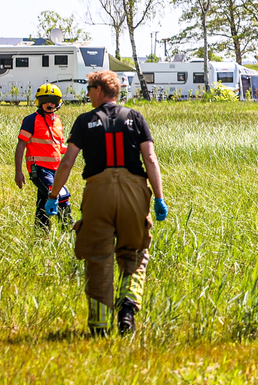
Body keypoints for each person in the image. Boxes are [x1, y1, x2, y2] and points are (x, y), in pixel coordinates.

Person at [47, 71, 168, 337]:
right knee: (134, 252)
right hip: (134, 191)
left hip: (98, 191)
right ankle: (127, 309)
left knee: (97, 257)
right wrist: (159, 198)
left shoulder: (84, 120)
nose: (87, 93)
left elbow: (67, 163)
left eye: (89, 88)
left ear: (100, 90)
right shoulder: (135, 117)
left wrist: (53, 196)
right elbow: (150, 158)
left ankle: (100, 326)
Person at [14, 83, 72, 230]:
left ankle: (40, 234)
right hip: (39, 169)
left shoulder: (57, 121)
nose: (49, 104)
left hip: (56, 171)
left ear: (59, 103)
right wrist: (18, 172)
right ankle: (68, 231)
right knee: (61, 196)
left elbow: (59, 147)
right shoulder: (31, 120)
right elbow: (20, 146)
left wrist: (77, 147)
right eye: (45, 100)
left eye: (53, 101)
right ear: (39, 102)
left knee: (43, 201)